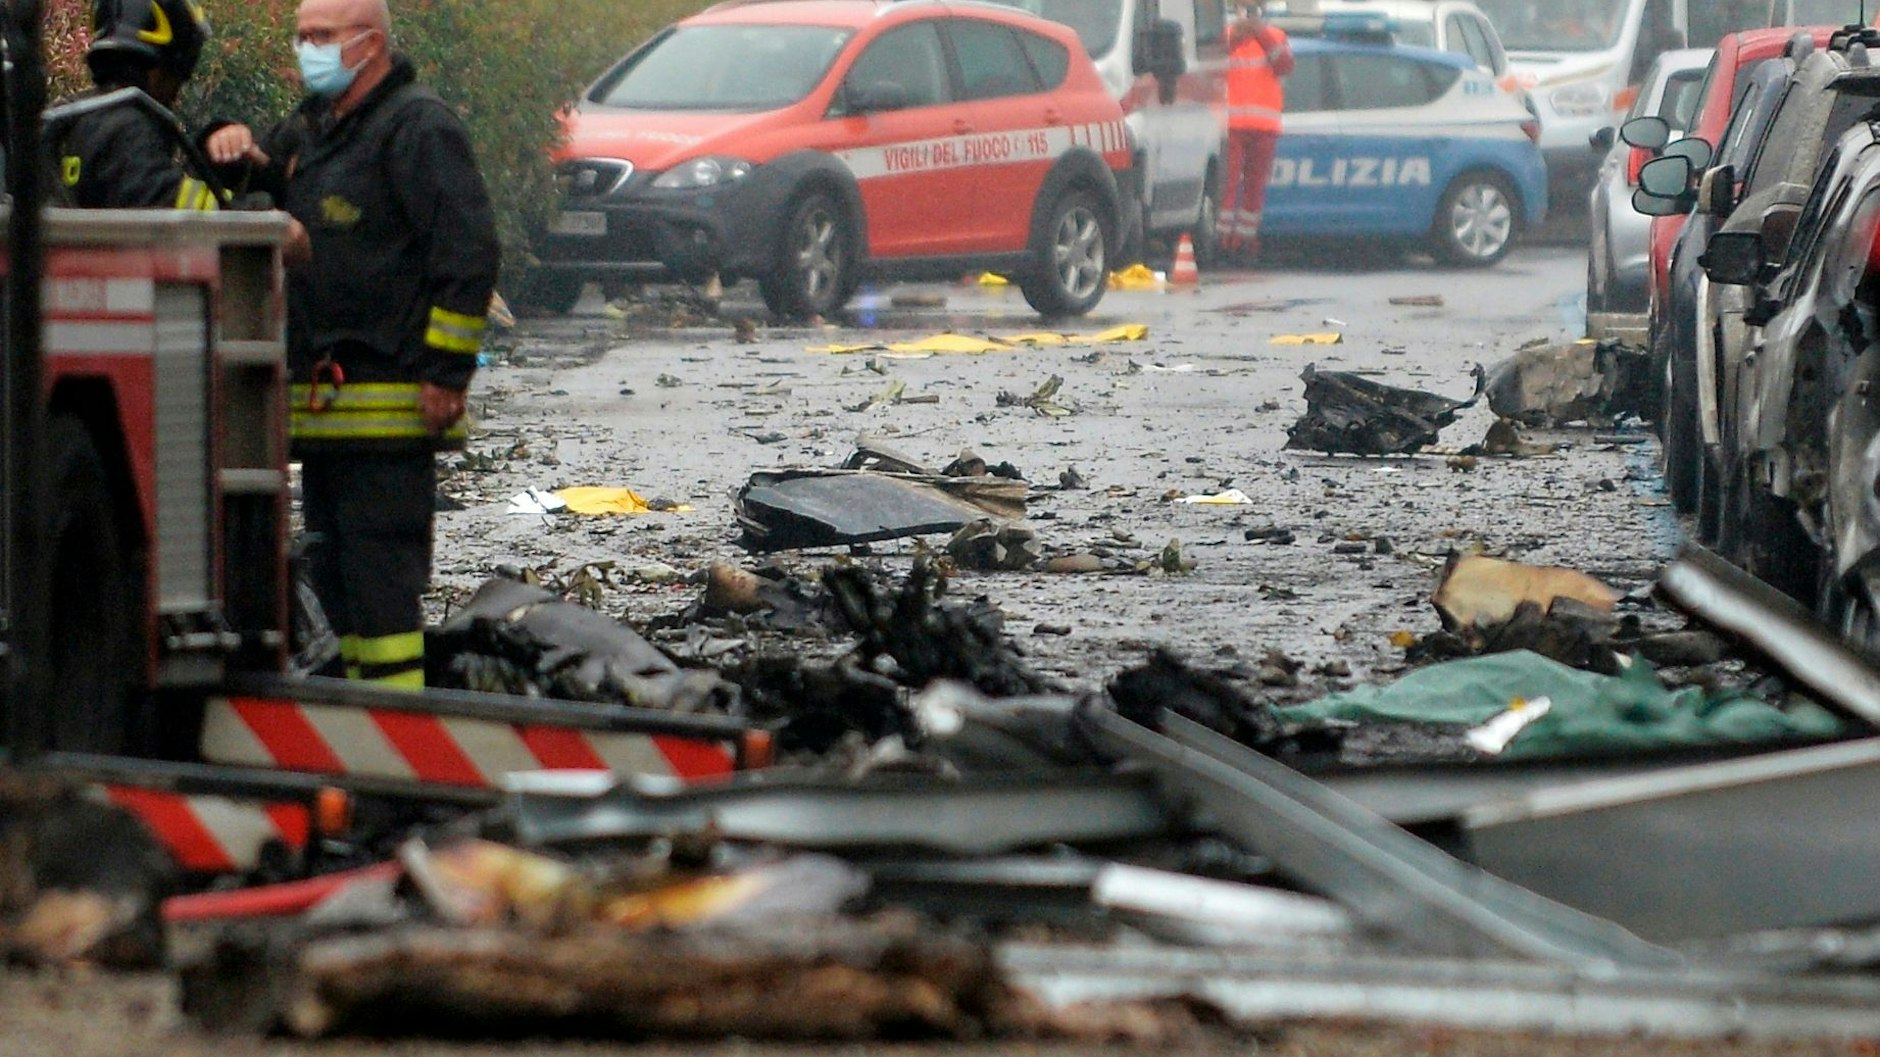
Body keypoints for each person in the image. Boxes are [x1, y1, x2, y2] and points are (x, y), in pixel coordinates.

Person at [208, 0, 500, 689]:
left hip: (392, 407)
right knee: (333, 582)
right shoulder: (314, 130)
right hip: (323, 414)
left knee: (383, 588)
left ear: (369, 46)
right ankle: (352, 722)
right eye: (302, 36)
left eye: (322, 37)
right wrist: (226, 139)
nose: (306, 49)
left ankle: (398, 733)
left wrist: (446, 374)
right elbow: (260, 186)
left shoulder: (419, 128)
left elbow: (468, 253)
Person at [48, 0, 223, 210]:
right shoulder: (129, 127)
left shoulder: (63, 119)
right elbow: (167, 202)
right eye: (177, 78)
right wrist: (251, 206)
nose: (176, 94)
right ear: (161, 68)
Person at [1218, 0, 1292, 264]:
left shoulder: (1275, 35)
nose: (1248, 15)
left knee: (1254, 189)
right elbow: (1209, 67)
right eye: (1244, 9)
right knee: (1226, 187)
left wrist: (1261, 33)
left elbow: (1284, 65)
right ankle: (1221, 242)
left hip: (1264, 127)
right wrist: (1235, 38)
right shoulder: (1224, 35)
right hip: (1231, 125)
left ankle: (1244, 243)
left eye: (1253, 10)